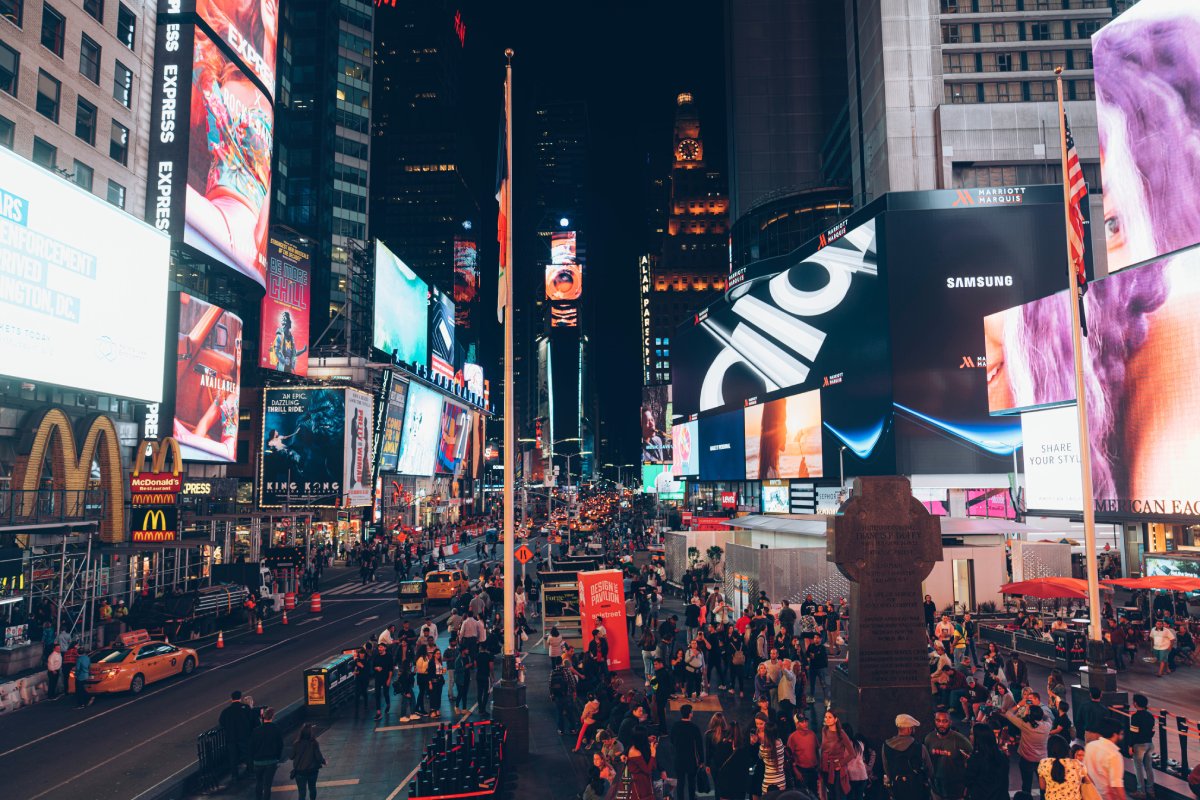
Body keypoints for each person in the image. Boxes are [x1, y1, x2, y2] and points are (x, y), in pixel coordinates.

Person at [883, 714, 933, 800]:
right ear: (910, 729)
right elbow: (930, 770)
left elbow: (887, 769)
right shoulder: (920, 747)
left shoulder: (886, 745)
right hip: (917, 790)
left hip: (897, 789)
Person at [1006, 699, 1051, 794]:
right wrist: (1037, 710)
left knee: (1026, 784)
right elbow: (1047, 717)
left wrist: (1020, 705)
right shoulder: (1047, 726)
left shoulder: (1025, 725)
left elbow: (1008, 714)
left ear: (1030, 716)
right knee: (1044, 785)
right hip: (1042, 760)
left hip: (1027, 759)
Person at [926, 710, 972, 800]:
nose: (941, 724)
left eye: (945, 721)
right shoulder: (929, 738)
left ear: (950, 722)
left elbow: (972, 763)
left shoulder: (961, 740)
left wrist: (967, 786)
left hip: (956, 790)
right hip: (936, 789)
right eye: (938, 721)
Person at [1084, 720, 1127, 800]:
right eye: (1121, 734)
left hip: (1091, 794)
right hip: (1106, 797)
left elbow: (1085, 772)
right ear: (1114, 735)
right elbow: (1116, 784)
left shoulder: (1090, 746)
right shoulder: (1114, 755)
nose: (1121, 737)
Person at [964, 724, 1009, 800]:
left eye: (972, 734)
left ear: (978, 738)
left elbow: (969, 781)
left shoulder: (975, 759)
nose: (970, 736)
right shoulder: (1002, 756)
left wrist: (967, 764)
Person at [819, 710, 856, 800]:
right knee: (829, 795)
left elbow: (852, 754)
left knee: (838, 795)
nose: (827, 719)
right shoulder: (824, 730)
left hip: (836, 769)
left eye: (830, 717)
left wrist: (840, 764)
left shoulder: (841, 733)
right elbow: (823, 749)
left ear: (835, 719)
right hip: (825, 767)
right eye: (826, 717)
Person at [671, 703, 705, 800]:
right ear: (690, 714)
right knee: (691, 783)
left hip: (679, 759)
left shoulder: (675, 726)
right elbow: (699, 746)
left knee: (680, 783)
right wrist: (701, 760)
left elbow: (672, 740)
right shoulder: (694, 728)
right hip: (691, 760)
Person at [250, 707, 284, 800]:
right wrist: (277, 757)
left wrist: (254, 758)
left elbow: (252, 747)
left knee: (259, 782)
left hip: (258, 761)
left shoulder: (256, 731)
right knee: (267, 785)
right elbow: (280, 745)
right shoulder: (276, 729)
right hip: (271, 761)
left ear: (263, 717)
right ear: (272, 717)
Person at [1039, 735, 1087, 800]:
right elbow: (1087, 782)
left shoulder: (1044, 763)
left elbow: (1042, 786)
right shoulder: (1077, 764)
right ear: (1066, 748)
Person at [221, 690, 254, 780]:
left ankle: (234, 775)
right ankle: (251, 772)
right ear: (240, 698)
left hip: (231, 738)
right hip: (244, 736)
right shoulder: (245, 708)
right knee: (248, 754)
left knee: (233, 757)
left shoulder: (226, 711)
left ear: (231, 699)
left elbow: (222, 722)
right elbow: (251, 720)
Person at [1128, 694, 1156, 800]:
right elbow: (1153, 731)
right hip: (1149, 744)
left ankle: (1141, 792)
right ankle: (1151, 790)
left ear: (1135, 703)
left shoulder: (1135, 716)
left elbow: (1133, 733)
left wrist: (1130, 746)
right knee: (1149, 768)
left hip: (1139, 745)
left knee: (1138, 768)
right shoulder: (1150, 716)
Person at [754, 715, 788, 797]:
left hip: (768, 781)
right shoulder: (780, 743)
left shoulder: (763, 748)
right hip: (781, 781)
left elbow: (760, 756)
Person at [787, 712, 820, 795]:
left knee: (814, 794)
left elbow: (817, 751)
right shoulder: (792, 737)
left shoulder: (812, 734)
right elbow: (788, 756)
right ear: (797, 724)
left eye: (806, 721)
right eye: (802, 722)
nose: (805, 724)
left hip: (813, 769)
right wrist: (796, 771)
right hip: (801, 771)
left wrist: (819, 767)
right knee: (802, 795)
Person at [290, 723, 326, 800]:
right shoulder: (314, 743)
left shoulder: (296, 744)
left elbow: (291, 756)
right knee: (312, 788)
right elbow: (318, 757)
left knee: (302, 792)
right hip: (312, 771)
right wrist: (324, 761)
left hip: (300, 772)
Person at [626, 732, 659, 800]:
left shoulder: (640, 748)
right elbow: (648, 770)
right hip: (640, 783)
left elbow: (653, 766)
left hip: (644, 780)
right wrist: (653, 754)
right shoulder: (635, 752)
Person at [372, 642, 394, 721]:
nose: (379, 649)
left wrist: (389, 679)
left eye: (381, 647)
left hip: (385, 678)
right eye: (379, 647)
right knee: (377, 694)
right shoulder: (376, 656)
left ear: (385, 648)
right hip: (378, 678)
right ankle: (378, 713)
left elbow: (391, 669)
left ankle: (388, 704)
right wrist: (376, 668)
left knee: (385, 693)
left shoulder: (389, 656)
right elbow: (373, 666)